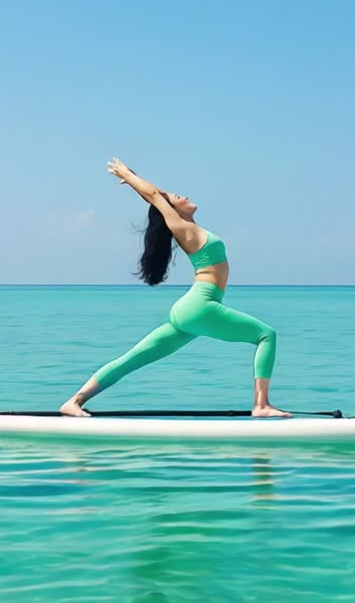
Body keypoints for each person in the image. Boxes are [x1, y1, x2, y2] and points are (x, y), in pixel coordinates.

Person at [60, 158, 290, 418]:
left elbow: (156, 194)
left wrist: (133, 176)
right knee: (266, 335)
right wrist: (129, 177)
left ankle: (74, 401)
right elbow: (155, 195)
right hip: (200, 306)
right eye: (174, 197)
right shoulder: (182, 228)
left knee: (134, 359)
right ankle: (261, 405)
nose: (181, 194)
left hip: (189, 313)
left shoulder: (190, 227)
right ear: (170, 210)